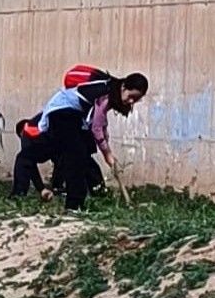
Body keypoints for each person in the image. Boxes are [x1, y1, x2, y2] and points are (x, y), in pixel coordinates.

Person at [11, 69, 148, 211]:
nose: (131, 101)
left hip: (68, 116)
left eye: (135, 100)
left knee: (79, 154)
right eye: (131, 96)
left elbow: (101, 123)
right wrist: (107, 153)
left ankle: (84, 198)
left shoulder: (108, 89)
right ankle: (74, 206)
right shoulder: (106, 92)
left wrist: (107, 149)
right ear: (124, 86)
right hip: (63, 114)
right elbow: (96, 128)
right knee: (76, 157)